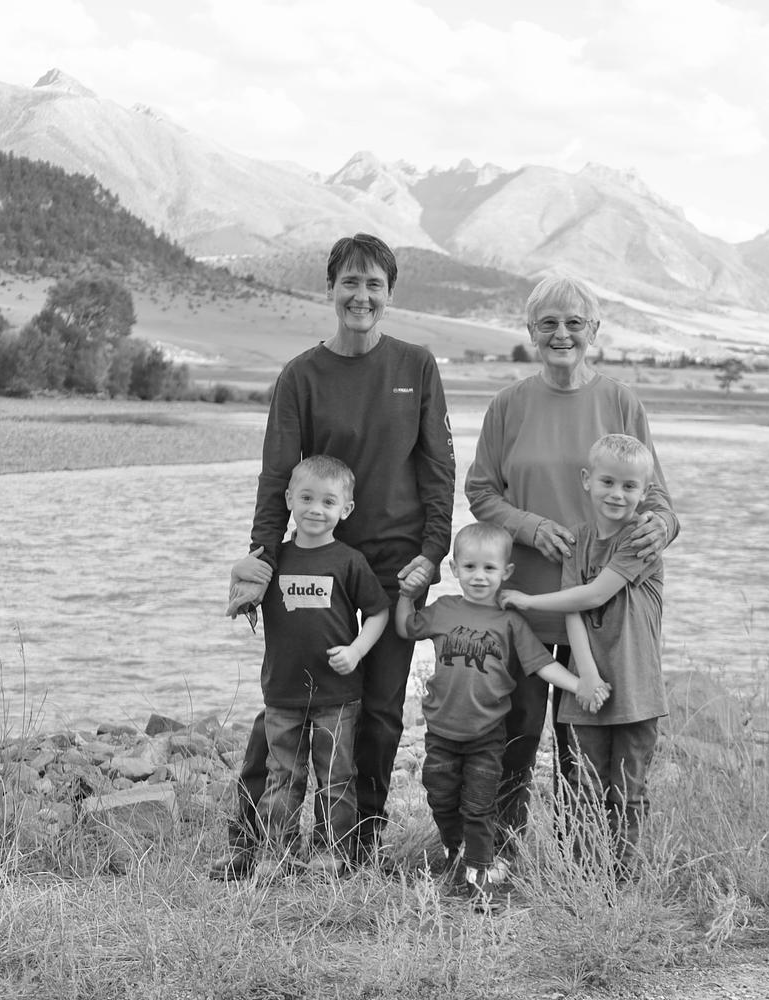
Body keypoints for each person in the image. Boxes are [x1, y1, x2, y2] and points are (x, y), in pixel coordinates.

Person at [212, 233, 455, 879]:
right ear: (330, 289)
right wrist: (262, 560)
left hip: (395, 569)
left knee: (380, 711)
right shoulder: (301, 376)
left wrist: (433, 552)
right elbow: (276, 476)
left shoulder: (416, 366)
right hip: (312, 562)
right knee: (288, 702)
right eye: (350, 282)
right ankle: (251, 844)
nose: (361, 296)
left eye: (374, 284)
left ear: (389, 294)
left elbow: (438, 469)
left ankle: (357, 848)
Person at [464, 274, 678, 865]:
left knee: (580, 755)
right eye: (549, 323)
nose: (562, 334)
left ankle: (581, 866)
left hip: (604, 620)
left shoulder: (620, 402)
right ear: (531, 332)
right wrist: (529, 526)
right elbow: (480, 491)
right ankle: (496, 859)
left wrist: (664, 526)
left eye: (574, 323)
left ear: (594, 331)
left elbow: (657, 498)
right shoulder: (509, 405)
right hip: (525, 607)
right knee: (511, 739)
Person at [396, 522, 606, 910]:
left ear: (505, 572)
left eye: (489, 568)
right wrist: (406, 596)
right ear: (455, 569)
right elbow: (407, 628)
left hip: (486, 733)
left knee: (480, 805)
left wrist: (579, 685)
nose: (479, 576)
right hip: (441, 731)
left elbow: (542, 664)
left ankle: (479, 877)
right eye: (470, 567)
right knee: (440, 795)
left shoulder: (510, 623)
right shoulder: (443, 610)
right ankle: (455, 848)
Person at [500, 434, 666, 873]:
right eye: (608, 482)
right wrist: (586, 677)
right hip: (589, 689)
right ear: (586, 480)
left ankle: (621, 876)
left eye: (629, 486)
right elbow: (573, 608)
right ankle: (585, 875)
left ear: (645, 492)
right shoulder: (577, 539)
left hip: (634, 688)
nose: (617, 494)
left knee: (627, 789)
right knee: (584, 785)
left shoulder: (641, 539)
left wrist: (528, 601)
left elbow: (593, 594)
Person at [249, 455, 390, 867]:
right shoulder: (272, 561)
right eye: (306, 498)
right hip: (282, 691)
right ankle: (278, 852)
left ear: (346, 509)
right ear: (288, 499)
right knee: (282, 775)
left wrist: (356, 651)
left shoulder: (349, 561)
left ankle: (333, 851)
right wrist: (241, 597)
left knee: (336, 777)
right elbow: (245, 590)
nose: (315, 509)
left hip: (337, 694)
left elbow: (378, 612)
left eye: (328, 502)